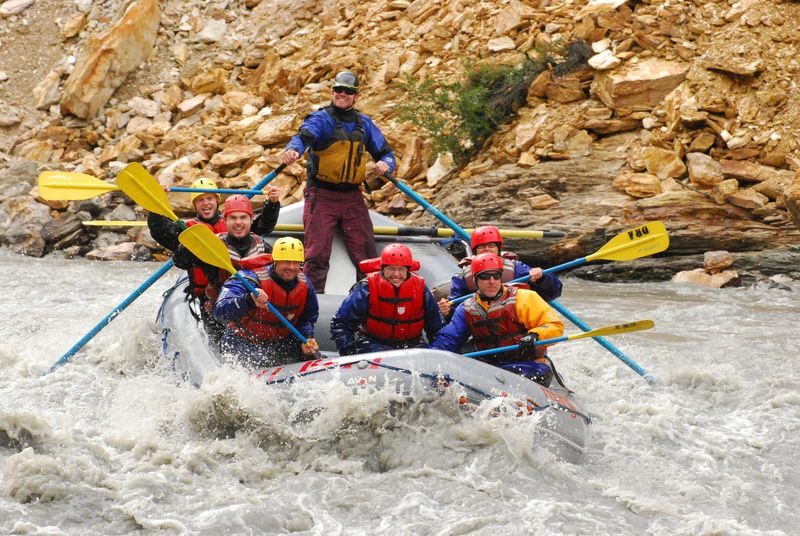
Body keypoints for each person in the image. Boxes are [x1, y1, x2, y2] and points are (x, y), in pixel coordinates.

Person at [281, 70, 397, 294]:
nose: (342, 94)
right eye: (338, 90)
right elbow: (303, 137)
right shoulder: (321, 119)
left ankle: (371, 299)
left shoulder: (365, 124)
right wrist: (293, 150)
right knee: (316, 253)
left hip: (352, 197)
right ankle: (311, 305)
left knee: (366, 252)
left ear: (356, 96)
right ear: (332, 91)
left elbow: (387, 153)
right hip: (321, 195)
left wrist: (386, 165)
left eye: (348, 91)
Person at [431, 253, 564, 387]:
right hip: (490, 367)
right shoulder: (466, 308)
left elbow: (554, 326)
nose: (492, 281)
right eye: (485, 276)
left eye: (496, 275)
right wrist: (430, 356)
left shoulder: (524, 298)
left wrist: (535, 336)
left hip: (529, 365)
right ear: (475, 280)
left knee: (532, 375)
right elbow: (449, 339)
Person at [212, 237, 320, 368]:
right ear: (275, 261)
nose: (291, 267)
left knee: (314, 356)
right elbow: (219, 311)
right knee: (257, 364)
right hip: (243, 341)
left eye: (296, 262)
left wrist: (306, 337)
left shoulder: (305, 285)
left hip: (281, 343)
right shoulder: (250, 278)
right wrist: (248, 299)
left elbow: (307, 319)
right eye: (286, 262)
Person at [331, 243, 445, 355]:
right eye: (391, 269)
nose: (396, 274)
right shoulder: (366, 288)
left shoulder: (421, 289)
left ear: (408, 270)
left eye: (401, 269)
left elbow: (437, 328)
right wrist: (348, 353)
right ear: (383, 268)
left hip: (413, 345)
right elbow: (341, 323)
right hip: (374, 345)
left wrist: (436, 353)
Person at [438, 225, 563, 317]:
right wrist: (447, 311)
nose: (487, 249)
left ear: (498, 248)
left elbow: (553, 292)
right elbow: (457, 311)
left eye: (491, 245)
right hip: (483, 324)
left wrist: (543, 277)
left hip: (517, 322)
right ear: (474, 250)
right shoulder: (462, 277)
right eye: (481, 246)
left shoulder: (517, 268)